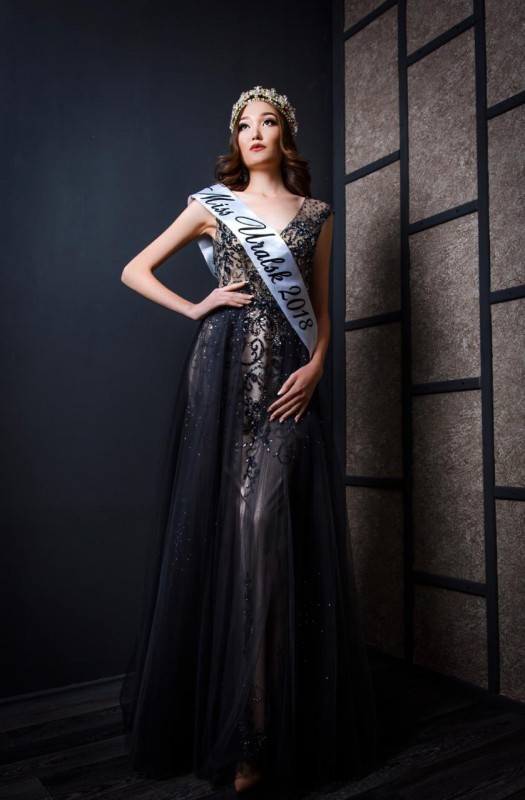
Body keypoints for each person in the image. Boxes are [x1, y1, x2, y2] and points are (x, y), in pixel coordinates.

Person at [119, 86, 378, 796]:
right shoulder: (212, 205)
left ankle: (264, 724)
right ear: (234, 138)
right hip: (223, 375)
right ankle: (243, 733)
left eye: (267, 122)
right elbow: (134, 269)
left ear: (284, 134)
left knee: (266, 531)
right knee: (235, 537)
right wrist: (196, 306)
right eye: (243, 124)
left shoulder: (316, 215)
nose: (254, 132)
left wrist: (318, 366)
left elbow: (320, 309)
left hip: (289, 384)